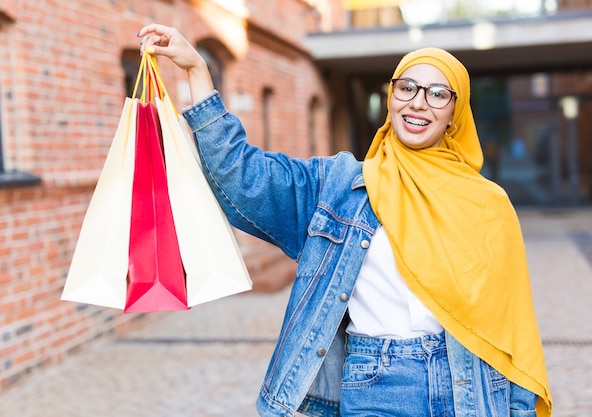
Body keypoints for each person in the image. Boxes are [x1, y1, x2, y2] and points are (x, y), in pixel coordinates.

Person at [137, 24, 552, 417]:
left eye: (438, 93)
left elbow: (512, 327)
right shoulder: (338, 186)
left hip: (472, 386)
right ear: (391, 98)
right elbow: (245, 179)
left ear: (454, 114)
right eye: (406, 87)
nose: (418, 102)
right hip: (376, 382)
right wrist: (197, 72)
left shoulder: (488, 205)